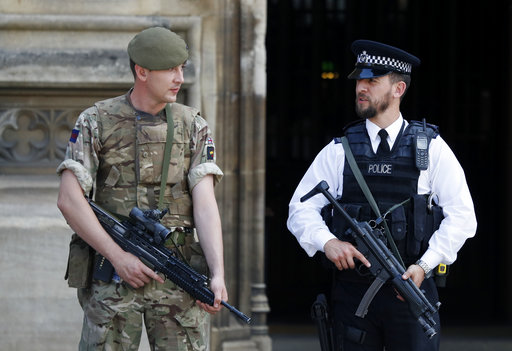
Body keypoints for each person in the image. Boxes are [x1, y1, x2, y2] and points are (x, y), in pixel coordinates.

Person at [287, 39, 477, 350]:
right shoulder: (340, 150)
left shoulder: (430, 149)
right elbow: (300, 209)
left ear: (398, 89)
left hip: (411, 290)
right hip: (353, 295)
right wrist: (328, 241)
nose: (361, 87)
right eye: (359, 80)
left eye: (372, 81)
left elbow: (462, 217)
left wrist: (425, 265)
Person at [57, 26, 227, 351]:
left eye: (182, 68)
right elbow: (68, 199)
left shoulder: (194, 125)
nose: (180, 78)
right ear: (142, 71)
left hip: (177, 271)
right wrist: (119, 257)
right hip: (115, 277)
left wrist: (217, 273)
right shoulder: (96, 121)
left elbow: (205, 204)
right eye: (170, 69)